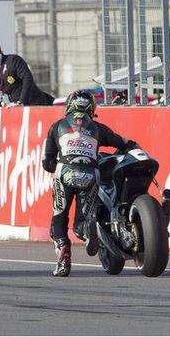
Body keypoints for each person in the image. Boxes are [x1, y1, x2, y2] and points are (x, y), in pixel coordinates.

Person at [41, 90, 138, 276]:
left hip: (65, 172)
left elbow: (47, 162)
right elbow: (122, 142)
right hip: (90, 174)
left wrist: (58, 166)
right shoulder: (97, 127)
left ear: (69, 105)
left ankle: (63, 254)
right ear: (91, 108)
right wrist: (134, 146)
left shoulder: (57, 126)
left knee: (59, 217)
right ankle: (88, 228)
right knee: (81, 222)